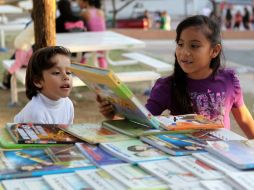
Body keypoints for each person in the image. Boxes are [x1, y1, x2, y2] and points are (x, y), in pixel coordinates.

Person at [97, 15, 254, 139]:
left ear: (214, 51)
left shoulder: (229, 80)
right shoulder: (167, 86)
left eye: (194, 46)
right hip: (185, 160)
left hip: (224, 157)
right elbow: (142, 123)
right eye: (180, 44)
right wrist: (113, 115)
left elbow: (246, 120)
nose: (184, 52)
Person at [14, 46, 74, 124]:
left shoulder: (68, 104)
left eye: (68, 72)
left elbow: (69, 133)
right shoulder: (36, 113)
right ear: (38, 81)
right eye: (56, 72)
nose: (66, 77)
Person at [78, 0, 107, 68]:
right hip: (102, 41)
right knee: (100, 57)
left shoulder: (84, 13)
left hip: (91, 42)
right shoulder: (100, 12)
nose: (79, 3)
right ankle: (104, 74)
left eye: (80, 2)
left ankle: (78, 71)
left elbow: (80, 27)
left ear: (86, 1)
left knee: (82, 55)